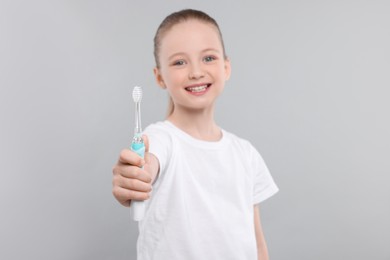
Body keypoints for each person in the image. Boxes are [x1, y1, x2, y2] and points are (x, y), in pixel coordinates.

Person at [112, 9, 279, 260]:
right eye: (180, 62)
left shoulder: (245, 153)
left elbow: (257, 245)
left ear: (226, 67)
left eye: (208, 58)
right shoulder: (160, 139)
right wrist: (135, 177)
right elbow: (148, 165)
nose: (196, 72)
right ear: (160, 78)